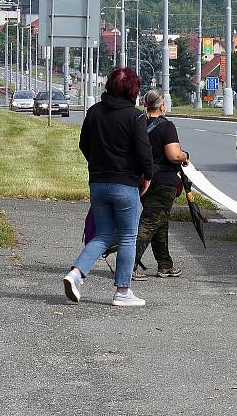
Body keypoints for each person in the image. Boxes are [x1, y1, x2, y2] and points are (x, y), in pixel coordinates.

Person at [63, 68, 153, 307]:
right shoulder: (135, 117)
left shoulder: (93, 113)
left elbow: (84, 144)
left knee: (103, 235)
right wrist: (147, 177)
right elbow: (145, 154)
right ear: (133, 90)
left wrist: (97, 166)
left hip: (98, 183)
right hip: (125, 185)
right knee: (127, 237)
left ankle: (76, 274)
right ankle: (122, 292)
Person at [132, 88, 190, 281]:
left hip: (144, 182)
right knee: (149, 223)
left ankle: (165, 265)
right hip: (163, 182)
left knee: (159, 222)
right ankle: (129, 265)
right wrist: (185, 156)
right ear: (162, 105)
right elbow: (173, 155)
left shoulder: (138, 125)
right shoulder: (167, 126)